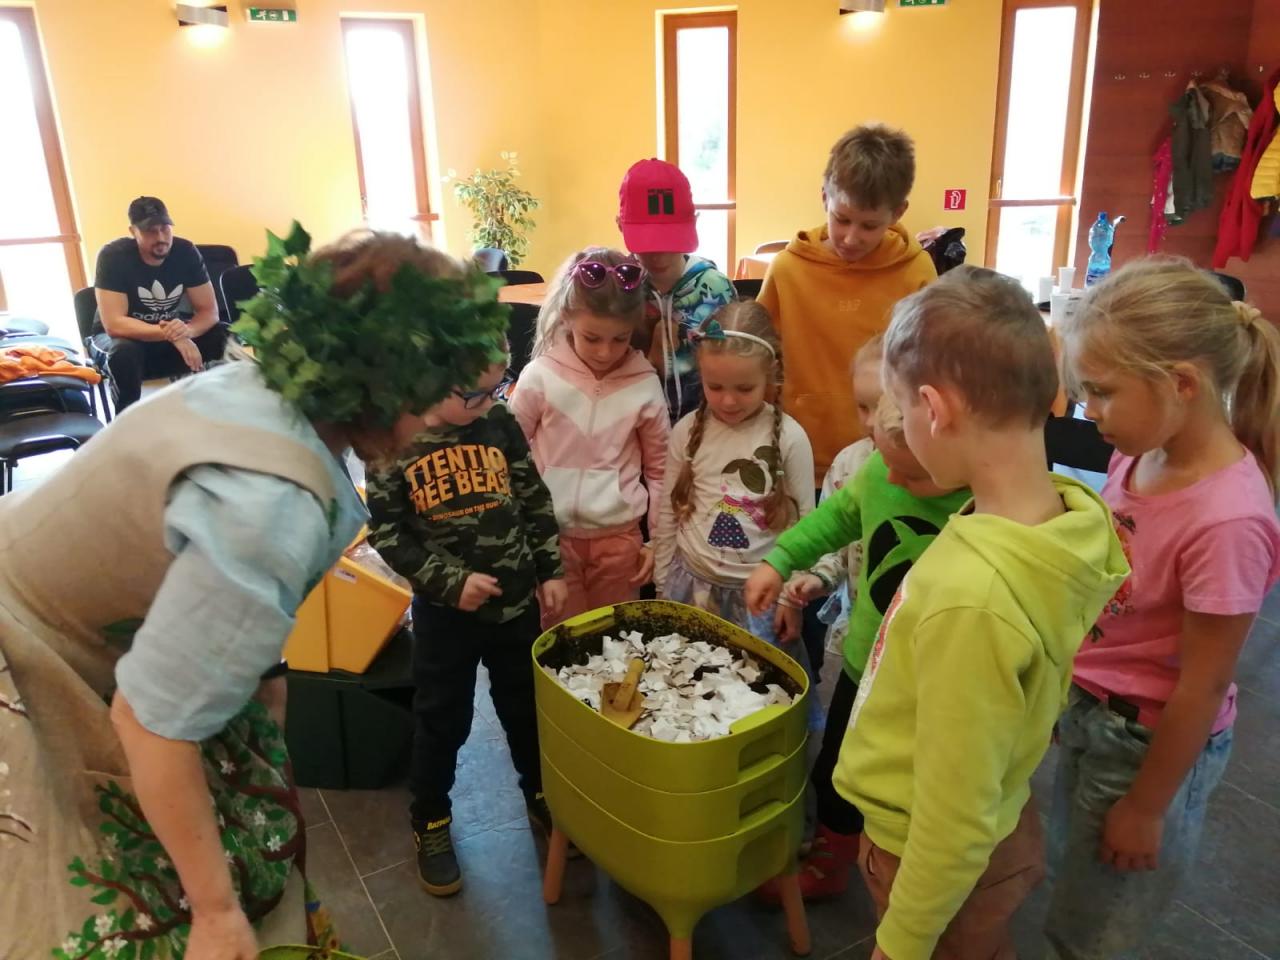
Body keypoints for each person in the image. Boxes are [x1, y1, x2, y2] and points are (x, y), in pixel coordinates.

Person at [0, 224, 510, 958]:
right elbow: (150, 722)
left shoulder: (253, 387)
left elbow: (210, 582)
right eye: (437, 390)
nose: (440, 413)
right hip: (31, 658)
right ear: (385, 380)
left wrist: (263, 671)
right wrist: (214, 911)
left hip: (85, 616)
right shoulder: (270, 510)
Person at [807, 267, 1128, 960]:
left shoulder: (972, 599)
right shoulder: (1065, 518)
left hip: (930, 857)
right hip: (1001, 819)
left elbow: (951, 821)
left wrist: (899, 944)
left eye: (898, 408)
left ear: (934, 409)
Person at [1045, 258, 1280, 960]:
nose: (1089, 411)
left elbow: (1202, 687)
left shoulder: (1228, 520)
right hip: (1093, 711)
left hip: (1146, 745)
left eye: (1102, 392)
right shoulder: (1137, 455)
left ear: (1181, 384)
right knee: (1074, 885)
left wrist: (1147, 807)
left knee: (1099, 928)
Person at [747, 388, 971, 902]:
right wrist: (780, 560)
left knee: (917, 780)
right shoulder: (882, 470)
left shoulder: (981, 503)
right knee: (837, 765)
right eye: (883, 461)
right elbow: (834, 519)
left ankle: (911, 865)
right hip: (865, 660)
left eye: (909, 473)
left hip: (936, 678)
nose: (890, 479)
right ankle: (833, 857)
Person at [367, 353, 569, 897]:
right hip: (445, 616)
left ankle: (540, 794)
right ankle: (431, 817)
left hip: (515, 604)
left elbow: (532, 496)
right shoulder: (393, 435)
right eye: (472, 394)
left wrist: (550, 569)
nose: (485, 404)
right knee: (442, 719)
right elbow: (387, 533)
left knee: (525, 708)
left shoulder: (497, 420)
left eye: (494, 389)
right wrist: (450, 582)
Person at [652, 301, 822, 728]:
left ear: (771, 376)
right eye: (715, 386)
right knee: (691, 693)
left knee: (755, 704)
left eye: (744, 388)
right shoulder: (687, 432)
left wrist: (790, 598)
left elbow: (807, 525)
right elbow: (669, 513)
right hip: (692, 590)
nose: (728, 401)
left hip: (759, 598)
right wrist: (661, 584)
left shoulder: (791, 439)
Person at [758, 124, 936, 490]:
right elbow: (761, 358)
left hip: (885, 461)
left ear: (898, 212)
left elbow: (928, 370)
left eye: (869, 226)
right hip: (797, 457)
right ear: (825, 197)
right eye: (841, 219)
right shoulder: (788, 269)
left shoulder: (916, 271)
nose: (851, 238)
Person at [510, 248, 669, 624]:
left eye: (620, 339)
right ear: (567, 317)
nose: (605, 351)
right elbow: (508, 458)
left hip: (620, 541)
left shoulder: (644, 384)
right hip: (551, 542)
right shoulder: (540, 376)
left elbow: (661, 470)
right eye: (592, 337)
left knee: (614, 636)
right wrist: (518, 529)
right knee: (558, 636)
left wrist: (658, 541)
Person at [616, 158, 736, 422]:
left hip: (708, 427)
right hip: (634, 427)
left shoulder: (716, 288)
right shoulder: (618, 287)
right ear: (620, 226)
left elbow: (737, 364)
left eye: (670, 240)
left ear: (694, 222)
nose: (659, 256)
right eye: (647, 243)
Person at [92, 197, 228, 410]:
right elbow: (115, 324)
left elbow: (209, 311)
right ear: (133, 231)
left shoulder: (185, 251)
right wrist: (173, 335)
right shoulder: (113, 256)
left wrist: (187, 332)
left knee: (224, 335)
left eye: (165, 229)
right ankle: (126, 418)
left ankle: (220, 411)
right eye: (150, 231)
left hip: (170, 332)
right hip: (121, 339)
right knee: (124, 354)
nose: (160, 238)